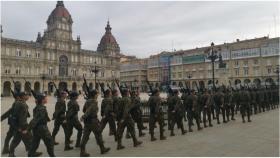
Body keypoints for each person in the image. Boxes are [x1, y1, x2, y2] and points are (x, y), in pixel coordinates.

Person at [9, 92, 42, 157]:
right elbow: (17, 116)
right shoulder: (21, 104)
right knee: (28, 139)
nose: (28, 96)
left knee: (18, 140)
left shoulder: (20, 103)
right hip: (22, 125)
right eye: (27, 95)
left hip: (21, 125)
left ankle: (12, 153)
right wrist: (20, 127)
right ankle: (31, 153)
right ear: (23, 96)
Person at [80, 90, 110, 156]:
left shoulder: (87, 101)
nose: (98, 95)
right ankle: (102, 149)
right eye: (97, 94)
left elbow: (84, 110)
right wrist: (84, 116)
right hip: (93, 121)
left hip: (87, 121)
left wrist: (85, 116)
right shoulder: (94, 101)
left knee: (85, 136)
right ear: (94, 95)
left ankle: (82, 151)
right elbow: (89, 109)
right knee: (98, 134)